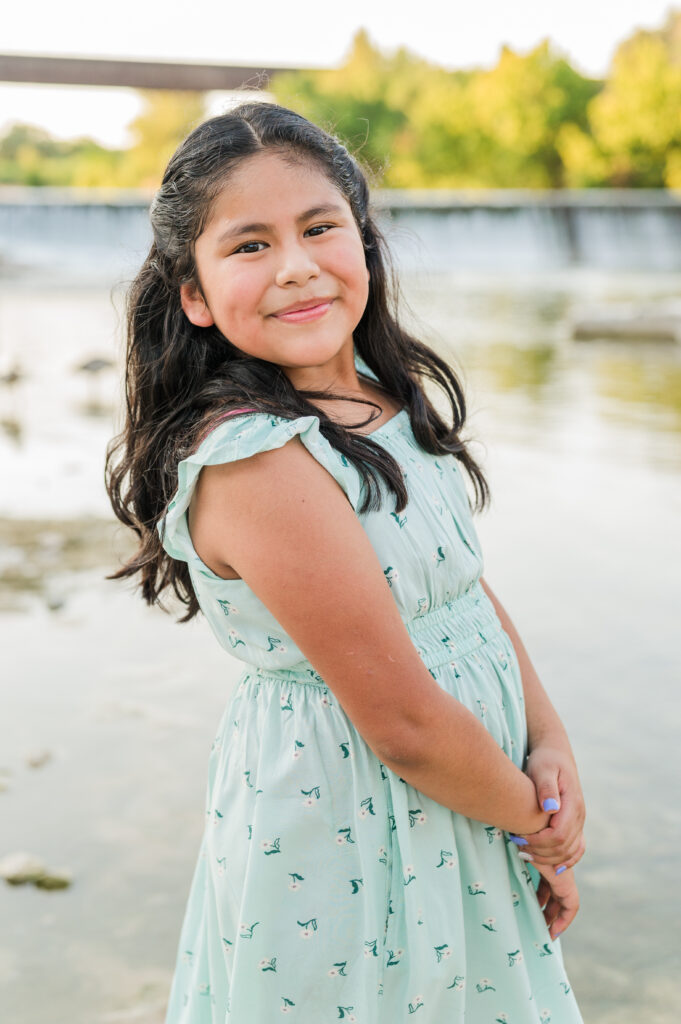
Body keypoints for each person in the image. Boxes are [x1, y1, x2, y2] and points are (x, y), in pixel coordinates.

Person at [105, 101, 586, 1023]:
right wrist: (539, 830)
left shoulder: (376, 403)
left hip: (468, 796)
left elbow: (456, 588)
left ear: (362, 243)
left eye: (319, 227)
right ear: (195, 295)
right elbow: (403, 722)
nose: (296, 265)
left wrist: (550, 742)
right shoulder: (257, 462)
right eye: (249, 245)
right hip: (361, 829)